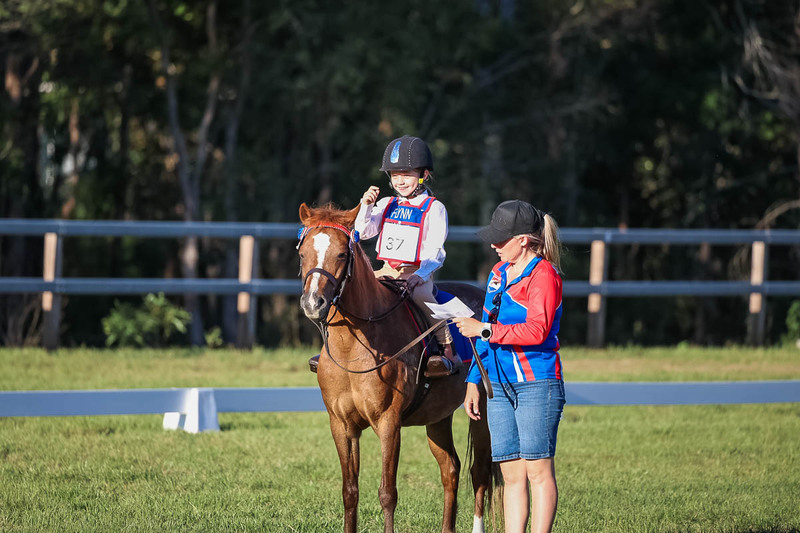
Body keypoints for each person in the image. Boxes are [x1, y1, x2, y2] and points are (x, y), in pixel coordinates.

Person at [452, 199, 565, 533]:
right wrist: (473, 380)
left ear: (523, 241)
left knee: (538, 472)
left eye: (501, 239)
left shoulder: (545, 275)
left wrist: (483, 329)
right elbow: (485, 328)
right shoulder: (498, 273)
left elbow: (537, 330)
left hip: (536, 384)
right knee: (511, 474)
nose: (493, 244)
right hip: (498, 386)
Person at [354, 135, 460, 377]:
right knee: (352, 291)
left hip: (416, 274)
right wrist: (366, 206)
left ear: (423, 174)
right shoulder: (386, 203)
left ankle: (447, 351)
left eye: (407, 174)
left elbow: (436, 251)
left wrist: (421, 276)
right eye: (395, 175)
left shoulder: (434, 208)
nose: (400, 181)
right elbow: (363, 232)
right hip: (385, 270)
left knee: (424, 298)